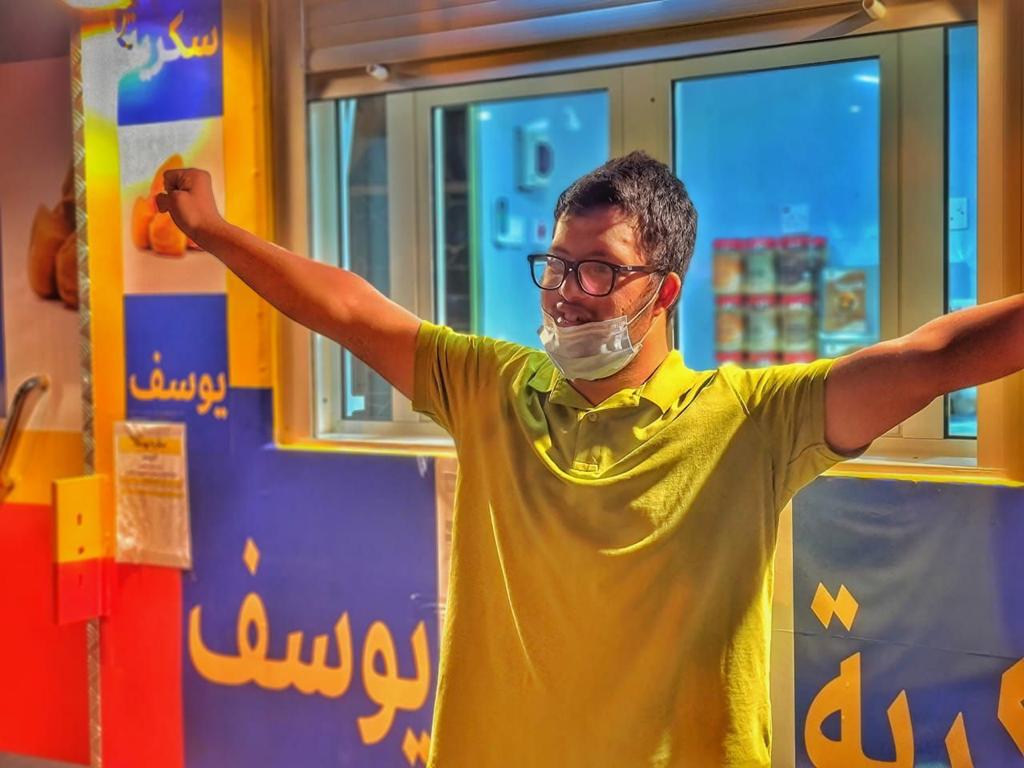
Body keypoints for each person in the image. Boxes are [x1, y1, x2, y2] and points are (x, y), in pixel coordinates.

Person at [157, 151, 1024, 766]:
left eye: (600, 271)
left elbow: (934, 357)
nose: (567, 294)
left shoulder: (750, 420)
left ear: (664, 291)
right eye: (557, 265)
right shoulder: (493, 387)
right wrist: (216, 232)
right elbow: (350, 310)